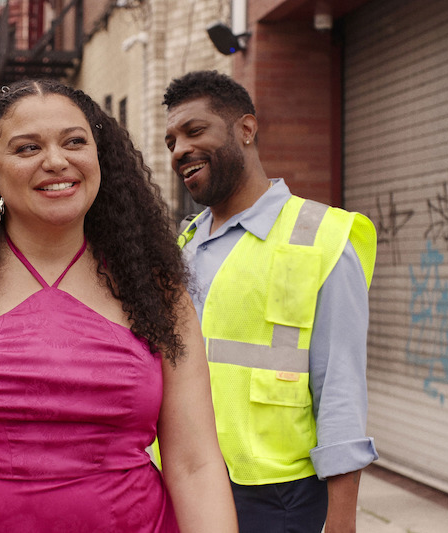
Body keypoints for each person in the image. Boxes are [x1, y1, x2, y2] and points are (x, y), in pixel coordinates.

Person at [0, 78, 238, 532]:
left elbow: (194, 464)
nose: (57, 161)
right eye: (27, 148)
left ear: (98, 157)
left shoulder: (155, 291)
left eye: (75, 142)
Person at [162, 70, 378, 533]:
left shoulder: (322, 238)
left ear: (245, 129)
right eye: (171, 141)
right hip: (181, 482)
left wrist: (341, 519)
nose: (180, 150)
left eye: (195, 131)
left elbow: (339, 388)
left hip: (277, 497)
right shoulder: (183, 246)